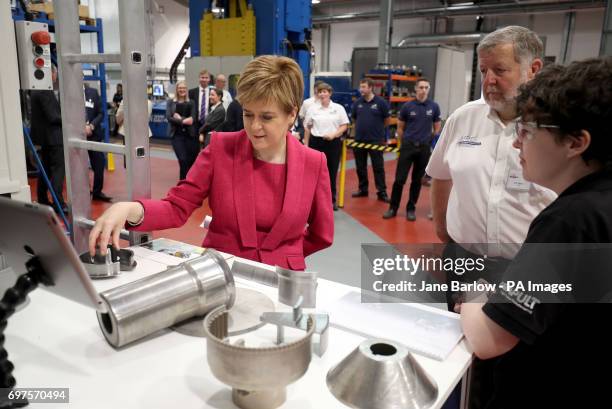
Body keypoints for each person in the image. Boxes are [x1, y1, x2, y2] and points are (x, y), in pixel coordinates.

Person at [460, 57, 612, 409]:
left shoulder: (571, 221)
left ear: (576, 142)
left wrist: (474, 294)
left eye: (527, 132)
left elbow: (489, 340)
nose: (517, 144)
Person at [89, 55, 334, 271]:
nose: (255, 126)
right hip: (220, 272)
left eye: (267, 117)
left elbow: (322, 234)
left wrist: (286, 255)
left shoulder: (314, 163)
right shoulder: (220, 148)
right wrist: (129, 209)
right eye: (248, 114)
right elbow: (177, 207)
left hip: (283, 281)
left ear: (291, 114)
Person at [425, 26, 556, 409]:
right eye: (483, 71)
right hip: (464, 261)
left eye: (499, 70)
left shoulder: (551, 127)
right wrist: (443, 231)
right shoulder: (464, 119)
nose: (489, 81)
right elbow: (441, 174)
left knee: (519, 367)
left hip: (526, 268)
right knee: (463, 357)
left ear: (533, 68)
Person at [383, 78, 441, 221]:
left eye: (426, 87)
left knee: (416, 181)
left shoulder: (433, 106)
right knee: (399, 179)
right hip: (408, 146)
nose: (423, 90)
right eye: (421, 87)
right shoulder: (407, 106)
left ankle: (411, 209)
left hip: (424, 148)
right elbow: (400, 127)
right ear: (415, 89)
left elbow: (437, 126)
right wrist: (405, 142)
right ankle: (393, 208)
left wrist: (428, 139)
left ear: (429, 89)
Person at [304, 82, 349, 211]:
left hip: (333, 143)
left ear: (330, 93)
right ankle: (313, 201)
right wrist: (306, 145)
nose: (322, 94)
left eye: (325, 91)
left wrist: (334, 134)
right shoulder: (312, 109)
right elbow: (307, 127)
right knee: (314, 173)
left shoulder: (338, 108)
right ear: (317, 94)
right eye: (320, 92)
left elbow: (344, 125)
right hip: (316, 142)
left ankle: (331, 200)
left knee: (331, 172)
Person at [30, 65, 67, 214]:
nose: (56, 76)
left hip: (45, 139)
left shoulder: (35, 90)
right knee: (58, 171)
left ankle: (43, 199)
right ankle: (59, 204)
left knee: (44, 170)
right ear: (50, 73)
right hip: (54, 139)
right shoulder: (45, 91)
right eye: (55, 73)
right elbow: (53, 117)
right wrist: (68, 119)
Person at [351, 78, 390, 202]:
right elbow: (355, 120)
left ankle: (381, 192)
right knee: (360, 167)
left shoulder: (381, 103)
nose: (361, 89)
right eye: (360, 87)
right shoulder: (357, 103)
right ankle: (363, 189)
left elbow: (387, 120)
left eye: (363, 87)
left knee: (378, 167)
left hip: (375, 141)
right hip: (359, 140)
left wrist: (378, 132)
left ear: (370, 88)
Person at [84, 84, 112, 202]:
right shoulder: (68, 94)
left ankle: (97, 192)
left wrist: (91, 126)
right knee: (78, 166)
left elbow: (101, 113)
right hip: (76, 135)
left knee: (99, 163)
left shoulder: (93, 92)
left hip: (93, 134)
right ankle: (83, 190)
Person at [166, 81, 198, 180]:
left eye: (184, 88)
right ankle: (183, 183)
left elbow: (192, 119)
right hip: (176, 136)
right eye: (180, 88)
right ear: (177, 89)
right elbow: (169, 117)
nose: (182, 90)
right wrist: (184, 120)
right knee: (182, 159)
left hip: (190, 136)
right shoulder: (171, 102)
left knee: (189, 161)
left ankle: (186, 183)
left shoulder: (191, 102)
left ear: (186, 90)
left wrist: (179, 119)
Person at [188, 69, 211, 135]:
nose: (204, 79)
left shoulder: (213, 92)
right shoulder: (191, 92)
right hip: (195, 124)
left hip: (208, 124)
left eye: (206, 78)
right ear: (199, 78)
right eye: (202, 77)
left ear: (209, 79)